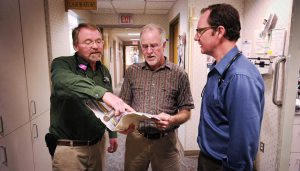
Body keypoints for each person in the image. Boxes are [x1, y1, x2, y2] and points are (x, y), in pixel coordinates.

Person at [48, 23, 133, 171]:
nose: (95, 46)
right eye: (88, 42)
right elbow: (64, 82)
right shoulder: (62, 64)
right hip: (70, 149)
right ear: (76, 46)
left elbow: (108, 107)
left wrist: (113, 132)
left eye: (99, 41)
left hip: (97, 144)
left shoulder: (103, 71)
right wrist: (104, 94)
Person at [194, 3, 265, 171]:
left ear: (219, 31)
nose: (196, 37)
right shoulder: (219, 68)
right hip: (207, 159)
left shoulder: (240, 77)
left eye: (200, 31)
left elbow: (243, 143)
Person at [119, 23, 194, 171]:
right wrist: (122, 123)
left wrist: (172, 119)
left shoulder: (179, 74)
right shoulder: (132, 72)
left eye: (154, 46)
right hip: (136, 140)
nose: (149, 51)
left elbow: (186, 111)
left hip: (166, 141)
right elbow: (123, 104)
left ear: (164, 45)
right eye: (145, 46)